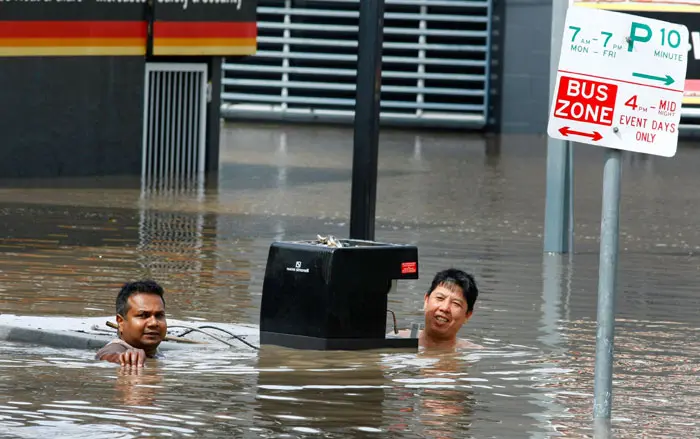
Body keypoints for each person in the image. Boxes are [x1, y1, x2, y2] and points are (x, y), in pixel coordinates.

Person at [95, 280, 168, 367]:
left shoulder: (156, 353)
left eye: (159, 315)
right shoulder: (116, 350)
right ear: (120, 322)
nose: (153, 323)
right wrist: (123, 358)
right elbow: (107, 354)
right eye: (143, 315)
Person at [410, 268, 480, 350]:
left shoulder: (472, 353)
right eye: (440, 298)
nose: (444, 308)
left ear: (467, 315)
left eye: (456, 303)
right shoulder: (399, 339)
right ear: (426, 300)